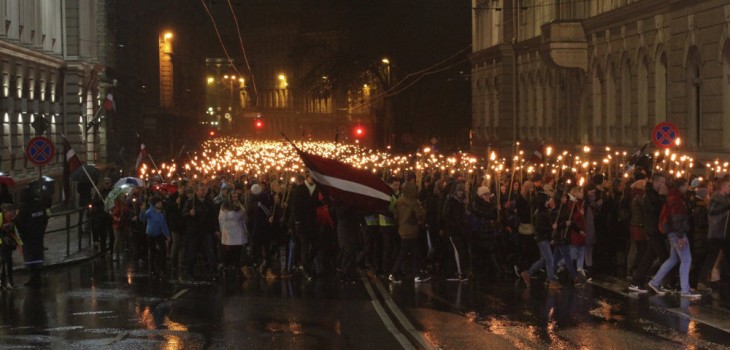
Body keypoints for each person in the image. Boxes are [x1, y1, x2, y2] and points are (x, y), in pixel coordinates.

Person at [646, 178, 701, 299]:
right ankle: (685, 290)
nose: (687, 188)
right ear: (681, 186)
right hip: (678, 233)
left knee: (673, 259)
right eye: (686, 185)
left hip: (672, 233)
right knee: (686, 259)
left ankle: (655, 282)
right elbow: (677, 219)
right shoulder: (677, 200)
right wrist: (681, 236)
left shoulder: (671, 198)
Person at [628, 173, 668, 293]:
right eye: (661, 182)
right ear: (656, 182)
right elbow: (655, 210)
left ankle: (637, 281)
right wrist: (662, 197)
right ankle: (655, 282)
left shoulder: (652, 194)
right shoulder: (650, 195)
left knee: (649, 256)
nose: (663, 185)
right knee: (663, 256)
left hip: (655, 229)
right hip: (653, 230)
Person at [388, 182, 428, 284]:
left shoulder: (400, 201)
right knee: (410, 252)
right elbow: (420, 214)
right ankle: (395, 273)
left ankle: (415, 273)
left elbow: (395, 215)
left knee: (406, 252)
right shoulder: (413, 202)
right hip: (412, 229)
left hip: (402, 229)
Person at [521, 193, 561, 289]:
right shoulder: (540, 213)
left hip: (544, 238)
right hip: (542, 238)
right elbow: (540, 227)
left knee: (544, 259)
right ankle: (551, 280)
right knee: (549, 259)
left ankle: (528, 273)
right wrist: (551, 228)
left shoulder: (544, 212)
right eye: (548, 200)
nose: (549, 202)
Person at [697, 177, 730, 291]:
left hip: (722, 233)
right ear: (722, 187)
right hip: (716, 232)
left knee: (725, 256)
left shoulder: (724, 198)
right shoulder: (717, 198)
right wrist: (726, 207)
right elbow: (712, 212)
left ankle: (722, 280)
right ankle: (702, 281)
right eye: (728, 186)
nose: (729, 188)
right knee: (712, 257)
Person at [16, 185, 49, 288]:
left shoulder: (23, 206)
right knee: (38, 255)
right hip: (38, 235)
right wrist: (42, 229)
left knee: (30, 256)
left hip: (28, 236)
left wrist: (21, 234)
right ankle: (37, 277)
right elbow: (45, 218)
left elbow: (20, 222)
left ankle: (33, 277)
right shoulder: (39, 204)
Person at [218, 196, 247, 277]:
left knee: (237, 251)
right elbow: (221, 219)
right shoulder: (225, 206)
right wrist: (221, 230)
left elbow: (243, 218)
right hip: (228, 232)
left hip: (237, 231)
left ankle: (237, 267)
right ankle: (226, 267)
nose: (235, 197)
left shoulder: (240, 205)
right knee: (228, 251)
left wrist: (245, 229)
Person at [144, 196, 171, 277]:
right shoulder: (149, 212)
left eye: (161, 202)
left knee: (163, 251)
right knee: (152, 252)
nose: (160, 204)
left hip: (159, 234)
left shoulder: (161, 214)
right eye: (158, 203)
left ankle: (162, 269)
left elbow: (163, 225)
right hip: (150, 234)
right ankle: (152, 269)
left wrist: (167, 234)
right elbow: (144, 216)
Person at [0, 203, 20, 289]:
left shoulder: (12, 219)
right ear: (5, 211)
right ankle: (4, 283)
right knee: (3, 263)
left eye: (13, 212)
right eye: (10, 212)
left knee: (8, 262)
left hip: (8, 244)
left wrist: (17, 242)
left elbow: (15, 231)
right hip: (2, 243)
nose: (12, 214)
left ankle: (9, 282)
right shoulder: (1, 217)